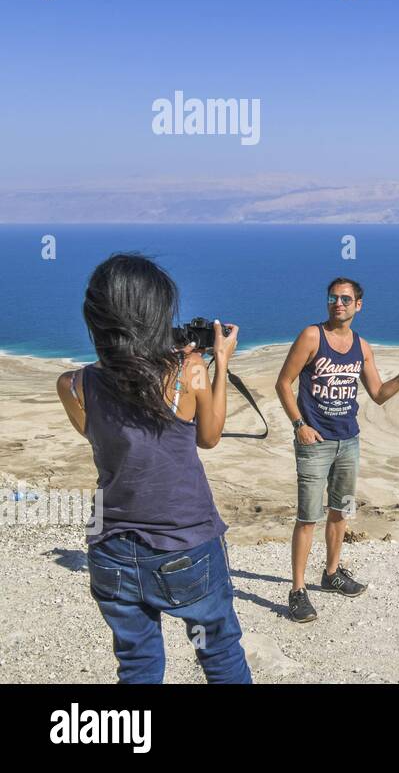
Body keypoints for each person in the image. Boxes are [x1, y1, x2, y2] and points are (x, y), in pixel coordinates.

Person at [55, 253, 252, 684]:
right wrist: (221, 360)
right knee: (217, 651)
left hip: (111, 551)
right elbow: (210, 435)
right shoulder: (189, 369)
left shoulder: (72, 385)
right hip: (186, 544)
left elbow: (99, 431)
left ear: (97, 317)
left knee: (139, 664)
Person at [274, 277, 399, 623]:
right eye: (332, 298)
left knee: (340, 512)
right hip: (316, 443)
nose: (337, 303)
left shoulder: (362, 347)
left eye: (345, 299)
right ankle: (298, 591)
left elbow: (378, 394)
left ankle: (331, 574)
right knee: (307, 517)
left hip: (348, 440)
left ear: (359, 305)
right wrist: (300, 425)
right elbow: (283, 383)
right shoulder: (312, 336)